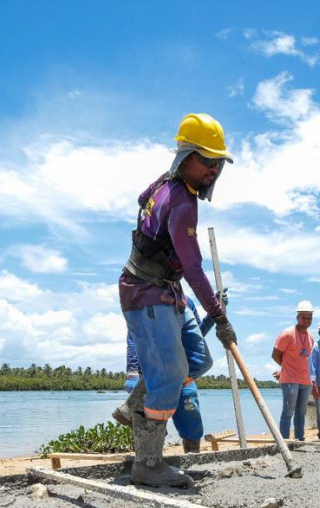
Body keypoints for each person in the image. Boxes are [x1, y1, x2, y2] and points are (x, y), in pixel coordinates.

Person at [116, 113, 237, 488]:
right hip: (147, 292)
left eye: (219, 162)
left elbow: (141, 200)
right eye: (207, 160)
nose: (214, 169)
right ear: (185, 155)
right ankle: (147, 463)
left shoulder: (165, 184)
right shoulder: (182, 201)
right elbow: (194, 266)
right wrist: (219, 316)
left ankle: (135, 402)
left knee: (197, 360)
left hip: (165, 289)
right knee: (169, 375)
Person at [122, 293, 225, 453]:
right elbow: (133, 340)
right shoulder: (142, 302)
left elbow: (196, 337)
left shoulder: (185, 302)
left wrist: (212, 316)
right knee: (150, 422)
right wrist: (132, 373)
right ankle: (149, 464)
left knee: (191, 418)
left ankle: (193, 460)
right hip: (152, 373)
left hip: (182, 370)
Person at [272, 301, 316, 441]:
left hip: (306, 380)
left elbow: (310, 359)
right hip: (290, 379)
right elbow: (275, 355)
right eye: (303, 317)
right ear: (297, 317)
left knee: (301, 412)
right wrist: (286, 368)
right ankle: (284, 440)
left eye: (309, 318)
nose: (306, 320)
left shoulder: (311, 337)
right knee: (288, 411)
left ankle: (299, 439)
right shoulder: (287, 333)